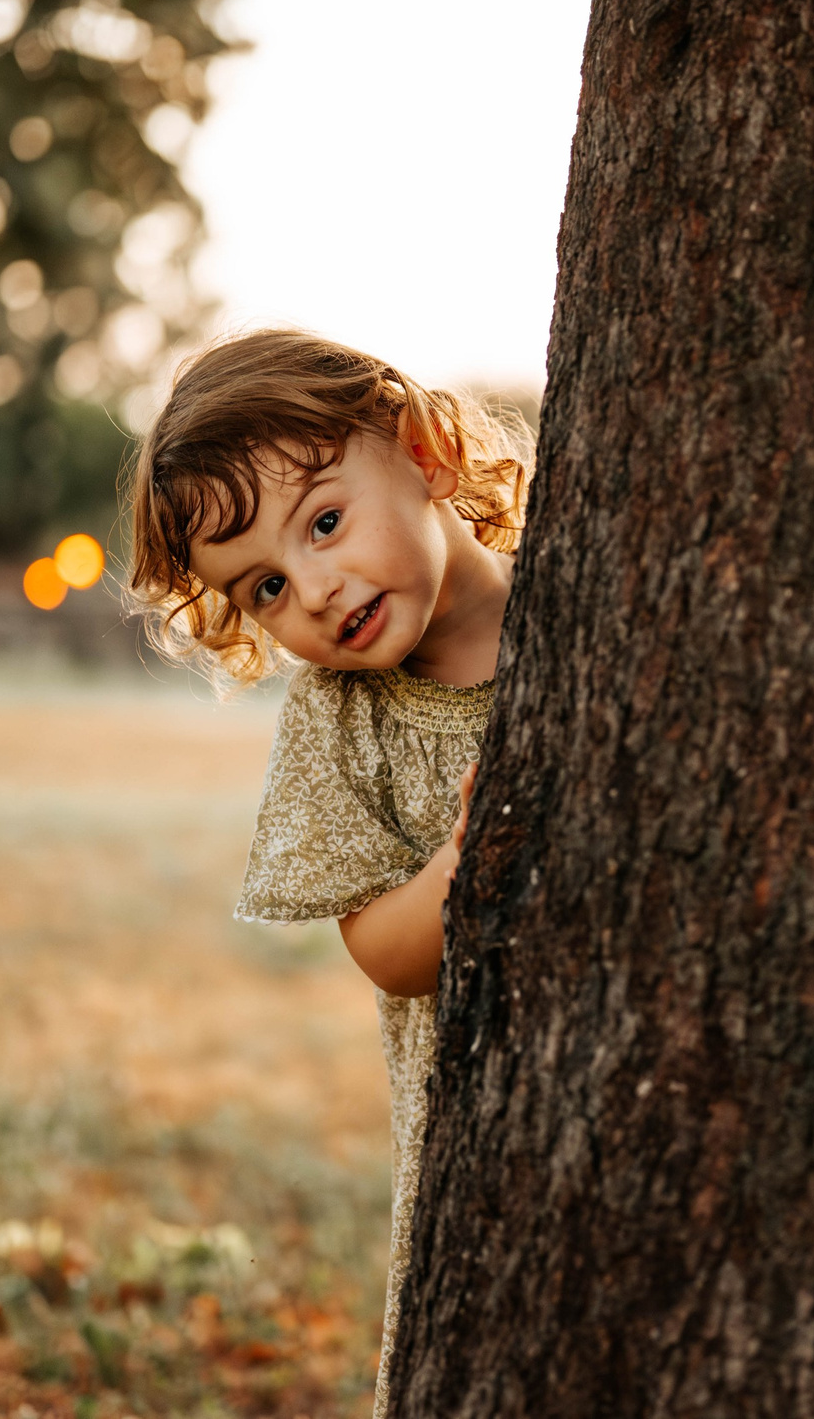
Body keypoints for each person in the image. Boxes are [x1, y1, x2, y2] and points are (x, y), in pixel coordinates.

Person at [125, 328, 526, 1417]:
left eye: (325, 521)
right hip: (484, 1124)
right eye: (261, 586)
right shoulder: (345, 716)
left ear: (427, 449)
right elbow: (382, 953)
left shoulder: (591, 601)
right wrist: (463, 860)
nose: (312, 588)